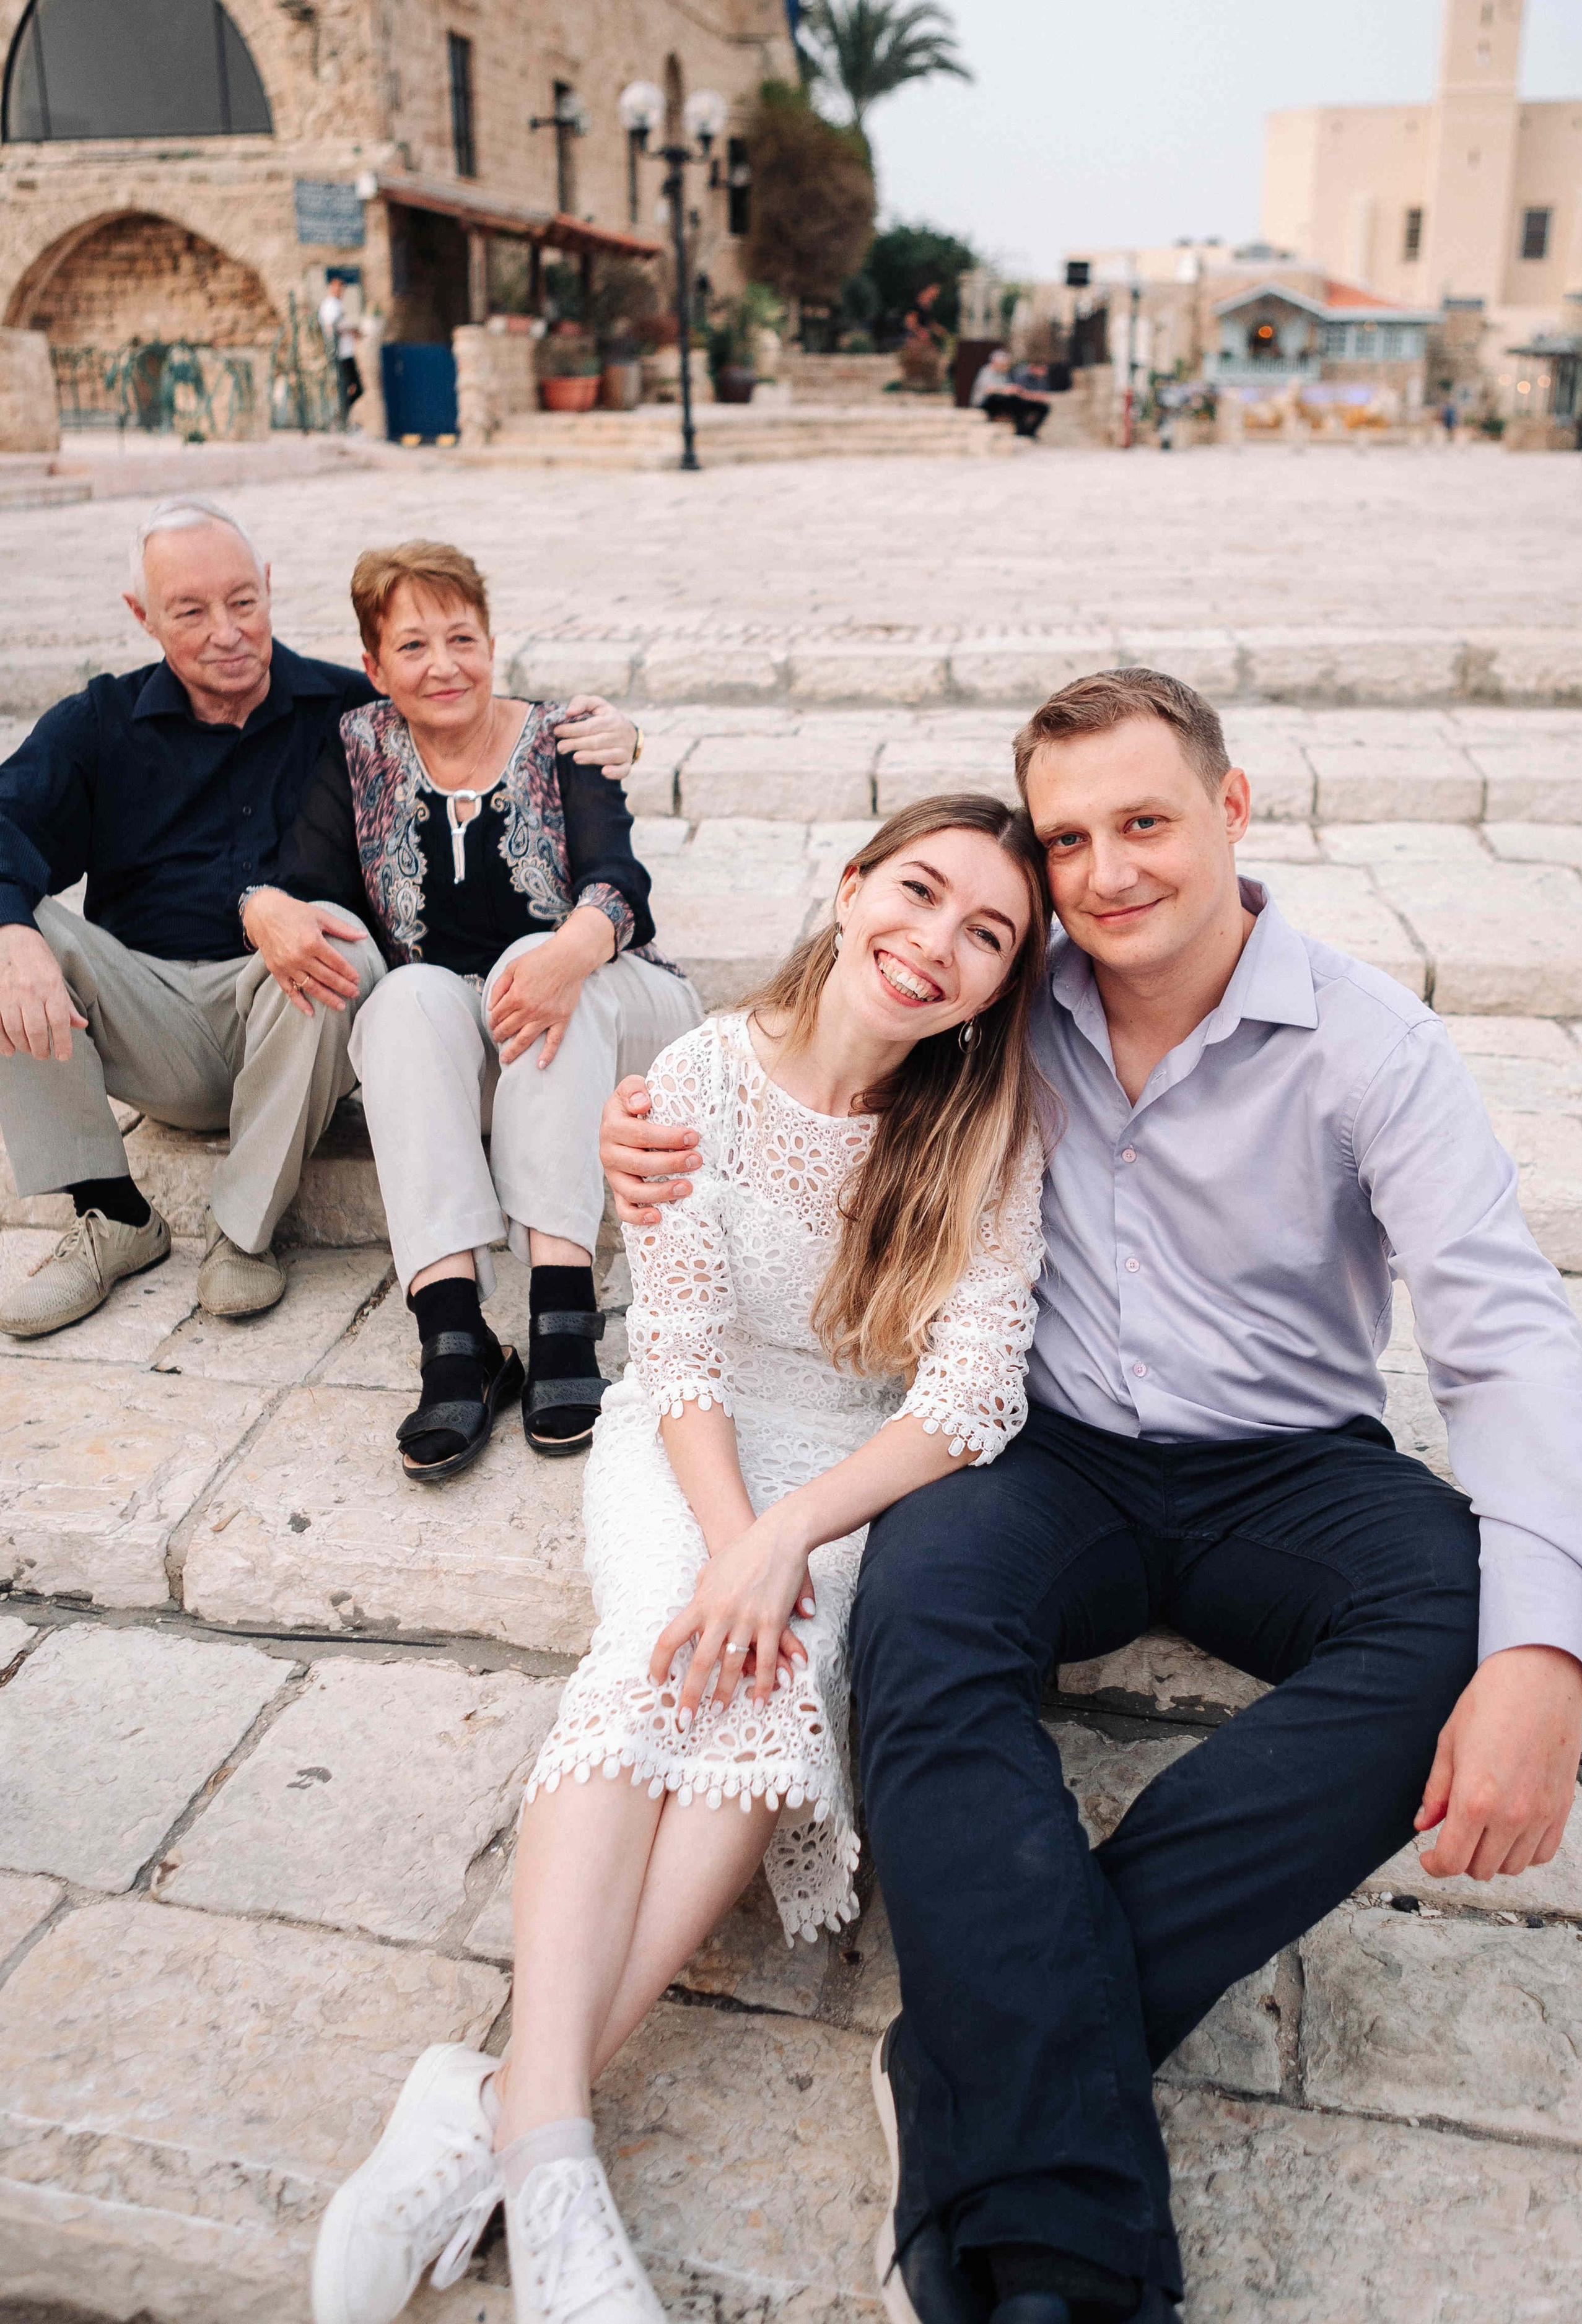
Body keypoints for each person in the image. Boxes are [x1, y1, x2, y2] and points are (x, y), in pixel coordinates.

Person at [600, 668, 1582, 2324]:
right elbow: (809, 1057)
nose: (1110, 870)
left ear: (1233, 810)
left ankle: (973, 2059)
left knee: (1465, 1625)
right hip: (1042, 1453)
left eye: (1146, 822)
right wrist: (651, 1142)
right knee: (915, 1623)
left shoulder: (1369, 1041)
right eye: (1071, 839)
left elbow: (1502, 1341)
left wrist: (1551, 1656)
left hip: (1290, 1463)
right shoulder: (1001, 994)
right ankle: (1067, 2254)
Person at [310, 794, 1054, 2324]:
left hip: (840, 1479)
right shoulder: (698, 1074)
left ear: (997, 984)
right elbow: (689, 1345)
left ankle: (506, 2099)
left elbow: (972, 1394)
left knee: (768, 1695)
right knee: (666, 1644)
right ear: (850, 890)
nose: (934, 945)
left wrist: (785, 1542)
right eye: (916, 894)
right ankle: (559, 2153)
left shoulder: (986, 1128)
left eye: (984, 935)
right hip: (689, 1440)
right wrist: (727, 1542)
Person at [251, 539, 698, 1474]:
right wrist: (271, 910)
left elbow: (620, 879)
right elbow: (309, 880)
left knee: (537, 961)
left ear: (493, 642)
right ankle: (456, 1338)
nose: (443, 665)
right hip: (475, 1039)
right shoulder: (358, 748)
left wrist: (566, 955)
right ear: (374, 668)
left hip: (616, 1009)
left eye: (462, 637)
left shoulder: (563, 734)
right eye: (412, 647)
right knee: (408, 995)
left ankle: (562, 1310)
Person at [0, 494, 385, 1331]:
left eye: (244, 601)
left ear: (271, 587)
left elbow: (481, 738)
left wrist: (611, 734)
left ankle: (243, 1234)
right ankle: (114, 1215)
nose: (227, 631)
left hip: (296, 1029)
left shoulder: (351, 711)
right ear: (143, 616)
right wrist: (12, 933)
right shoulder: (99, 723)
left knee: (341, 950)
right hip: (152, 1023)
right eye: (191, 611)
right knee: (7, 932)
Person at [969, 348, 1048, 440]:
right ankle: (1021, 430)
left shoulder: (1004, 375)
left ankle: (1026, 432)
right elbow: (989, 390)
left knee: (1035, 406)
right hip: (984, 403)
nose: (1005, 366)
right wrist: (1006, 389)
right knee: (1005, 399)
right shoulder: (987, 371)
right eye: (1004, 364)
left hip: (1002, 401)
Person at [320, 274, 365, 424]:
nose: (340, 290)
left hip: (346, 352)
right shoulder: (330, 305)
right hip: (340, 353)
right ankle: (340, 418)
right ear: (331, 287)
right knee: (352, 386)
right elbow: (334, 327)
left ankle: (341, 417)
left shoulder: (337, 305)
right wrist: (353, 332)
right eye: (337, 286)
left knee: (353, 387)